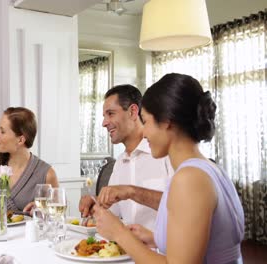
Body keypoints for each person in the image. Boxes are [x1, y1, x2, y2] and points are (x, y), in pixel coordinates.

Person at [93, 73, 244, 263]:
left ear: (166, 122)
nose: (144, 132)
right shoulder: (211, 170)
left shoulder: (189, 178)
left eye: (146, 121)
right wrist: (155, 237)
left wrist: (120, 234)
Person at [79, 85, 173, 231]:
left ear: (133, 112)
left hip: (163, 250)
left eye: (110, 114)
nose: (104, 123)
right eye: (104, 116)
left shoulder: (166, 154)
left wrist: (132, 191)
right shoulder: (119, 163)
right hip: (126, 250)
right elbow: (112, 213)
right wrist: (95, 204)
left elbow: (184, 206)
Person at [0, 107, 59, 215]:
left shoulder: (47, 174)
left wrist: (42, 210)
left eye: (2, 131)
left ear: (20, 140)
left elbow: (56, 218)